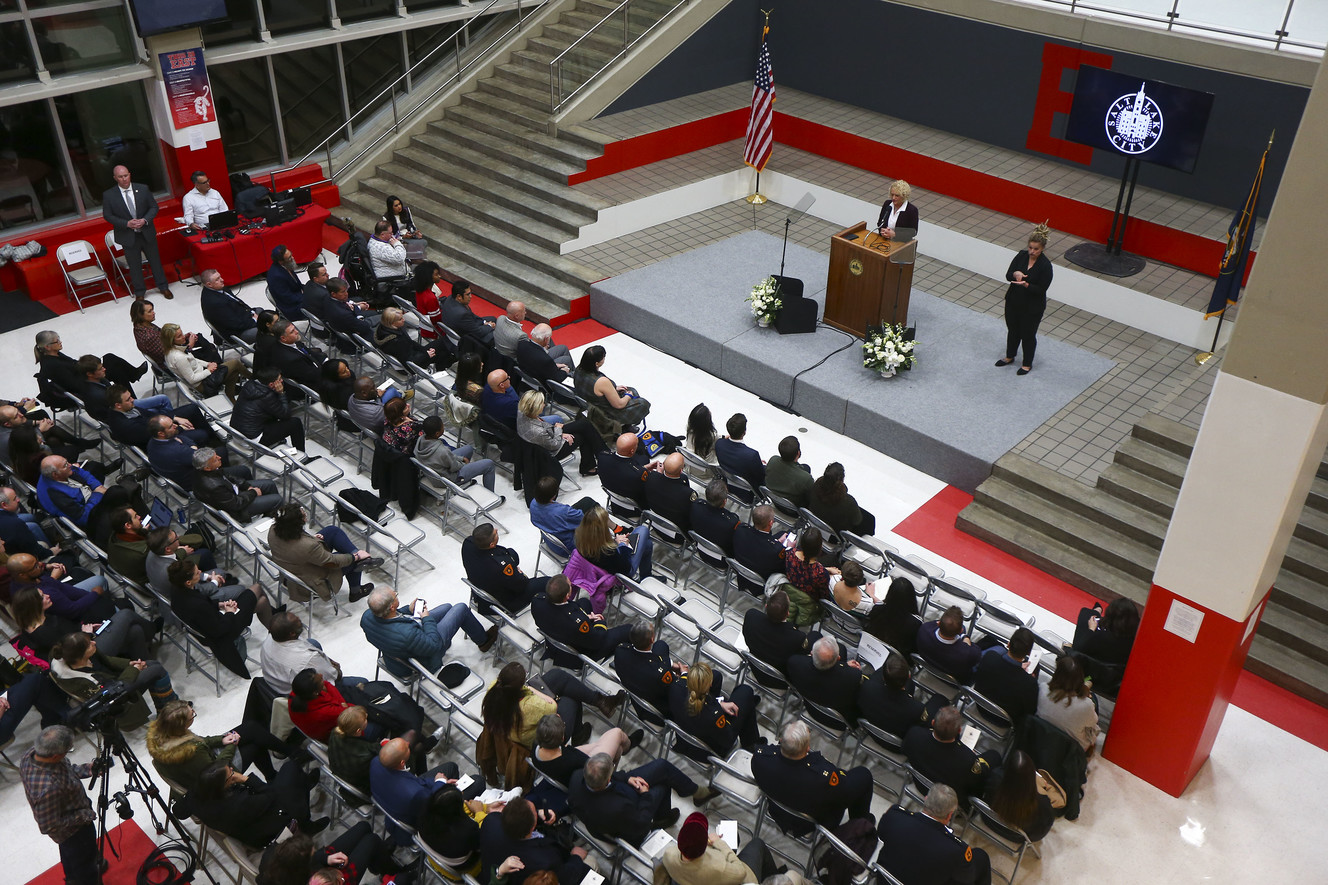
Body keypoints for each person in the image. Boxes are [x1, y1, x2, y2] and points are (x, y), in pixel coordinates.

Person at [478, 662, 625, 785]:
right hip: (541, 738)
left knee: (557, 676)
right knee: (570, 699)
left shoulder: (494, 688)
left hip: (513, 725)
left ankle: (600, 701)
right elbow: (552, 706)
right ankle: (579, 731)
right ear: (519, 687)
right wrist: (529, 688)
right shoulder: (530, 706)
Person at [750, 720, 874, 835]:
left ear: (781, 740)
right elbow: (843, 792)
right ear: (807, 748)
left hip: (777, 811)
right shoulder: (823, 777)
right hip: (808, 823)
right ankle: (860, 828)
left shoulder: (760, 758)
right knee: (864, 775)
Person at [569, 750, 715, 845]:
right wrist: (645, 795)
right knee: (663, 785)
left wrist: (627, 778)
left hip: (617, 794)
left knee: (662, 766)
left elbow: (610, 776)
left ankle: (696, 792)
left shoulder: (578, 777)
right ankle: (662, 819)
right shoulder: (617, 808)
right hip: (629, 821)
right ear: (607, 780)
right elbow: (641, 823)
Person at [20, 725, 105, 885]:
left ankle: (73, 878)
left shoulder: (32, 754)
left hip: (71, 824)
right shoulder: (47, 788)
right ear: (55, 756)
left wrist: (88, 770)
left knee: (70, 856)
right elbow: (48, 826)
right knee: (83, 862)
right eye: (67, 751)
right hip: (73, 831)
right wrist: (85, 815)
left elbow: (66, 770)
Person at [182, 759, 328, 850]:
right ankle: (306, 825)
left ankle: (303, 785)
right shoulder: (239, 804)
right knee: (290, 767)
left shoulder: (196, 794)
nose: (234, 771)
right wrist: (245, 779)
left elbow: (179, 811)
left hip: (249, 822)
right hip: (270, 831)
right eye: (231, 774)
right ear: (222, 786)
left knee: (292, 774)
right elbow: (271, 795)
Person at [147, 698, 291, 789]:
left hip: (204, 766)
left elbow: (202, 741)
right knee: (255, 744)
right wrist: (231, 744)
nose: (194, 714)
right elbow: (219, 768)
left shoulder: (164, 734)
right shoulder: (192, 751)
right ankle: (277, 773)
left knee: (251, 728)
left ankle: (289, 757)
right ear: (182, 725)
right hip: (215, 780)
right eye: (193, 715)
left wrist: (221, 740)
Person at [360, 586, 497, 680]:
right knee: (461, 608)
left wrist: (408, 609)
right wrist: (426, 619)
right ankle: (483, 641)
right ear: (392, 606)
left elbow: (393, 616)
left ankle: (462, 638)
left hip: (397, 652)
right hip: (424, 659)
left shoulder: (367, 617)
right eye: (395, 595)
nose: (396, 594)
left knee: (447, 607)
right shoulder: (407, 634)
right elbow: (434, 645)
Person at [50, 632, 178, 730]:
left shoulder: (77, 654)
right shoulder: (82, 682)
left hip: (117, 681)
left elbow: (107, 660)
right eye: (89, 645)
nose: (94, 643)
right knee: (157, 670)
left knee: (151, 664)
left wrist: (129, 663)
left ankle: (168, 708)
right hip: (119, 699)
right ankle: (171, 709)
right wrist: (134, 670)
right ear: (81, 655)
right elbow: (115, 692)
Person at [370, 737, 481, 845]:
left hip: (396, 804)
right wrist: (441, 783)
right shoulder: (415, 794)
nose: (408, 743)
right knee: (478, 782)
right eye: (406, 748)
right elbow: (433, 803)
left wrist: (441, 783)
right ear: (402, 763)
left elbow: (418, 783)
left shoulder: (375, 762)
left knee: (451, 767)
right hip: (419, 821)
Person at [876, 785, 992, 885]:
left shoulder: (895, 816)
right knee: (981, 857)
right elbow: (965, 880)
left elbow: (880, 835)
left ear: (926, 800)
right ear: (949, 815)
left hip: (884, 880)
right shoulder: (957, 851)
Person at [267, 503, 381, 603]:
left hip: (295, 567)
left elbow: (295, 543)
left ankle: (363, 559)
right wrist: (355, 557)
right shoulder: (308, 546)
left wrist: (311, 538)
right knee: (351, 560)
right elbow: (333, 562)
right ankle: (356, 589)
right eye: (303, 515)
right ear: (296, 524)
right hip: (311, 581)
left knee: (332, 531)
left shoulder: (274, 529)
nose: (305, 515)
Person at [167, 559, 260, 677]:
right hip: (223, 633)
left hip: (204, 626)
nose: (200, 572)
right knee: (256, 590)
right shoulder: (197, 605)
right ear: (188, 582)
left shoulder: (176, 590)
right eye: (197, 573)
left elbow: (204, 606)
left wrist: (220, 605)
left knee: (260, 601)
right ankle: (277, 628)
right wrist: (229, 612)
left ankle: (277, 626)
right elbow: (219, 629)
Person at [10, 585, 150, 664]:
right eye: (42, 597)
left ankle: (144, 664)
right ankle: (152, 629)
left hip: (86, 639)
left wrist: (83, 629)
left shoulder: (41, 618)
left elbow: (68, 633)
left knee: (135, 631)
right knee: (125, 614)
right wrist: (87, 634)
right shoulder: (43, 632)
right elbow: (72, 650)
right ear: (34, 605)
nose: (47, 596)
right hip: (87, 654)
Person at [478, 797, 591, 885]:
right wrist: (576, 857)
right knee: (591, 863)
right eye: (536, 813)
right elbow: (566, 876)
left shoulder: (491, 820)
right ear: (532, 827)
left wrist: (537, 814)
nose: (538, 811)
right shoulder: (546, 860)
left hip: (490, 875)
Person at [529, 573, 632, 666]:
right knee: (629, 630)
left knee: (584, 602)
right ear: (567, 596)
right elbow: (597, 641)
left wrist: (586, 617)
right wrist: (600, 622)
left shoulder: (537, 601)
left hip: (555, 638)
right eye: (570, 585)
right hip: (576, 654)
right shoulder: (577, 623)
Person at [902, 706, 1000, 802]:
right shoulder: (968, 760)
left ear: (933, 722)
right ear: (959, 731)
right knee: (994, 755)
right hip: (945, 801)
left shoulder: (915, 734)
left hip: (920, 784)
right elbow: (975, 787)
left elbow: (904, 750)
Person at [102, 164, 172, 299]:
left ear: (130, 174)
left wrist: (145, 220)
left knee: (155, 261)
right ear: (115, 178)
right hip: (128, 235)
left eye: (126, 175)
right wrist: (126, 223)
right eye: (120, 177)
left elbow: (153, 207)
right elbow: (108, 215)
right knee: (134, 266)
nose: (124, 179)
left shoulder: (143, 189)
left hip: (146, 232)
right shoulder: (109, 195)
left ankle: (163, 287)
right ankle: (140, 292)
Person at [996, 221, 1054, 376]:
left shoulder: (1045, 266)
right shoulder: (1021, 256)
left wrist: (1026, 284)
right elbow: (1008, 275)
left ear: (1042, 249)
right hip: (1014, 301)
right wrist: (1016, 274)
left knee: (1028, 334)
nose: (1032, 251)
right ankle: (1010, 356)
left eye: (1036, 249)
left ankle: (1027, 363)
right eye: (1030, 247)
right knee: (1013, 330)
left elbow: (1042, 289)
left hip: (1032, 307)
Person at [654, 811, 774, 885]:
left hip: (692, 878)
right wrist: (720, 843)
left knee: (734, 837)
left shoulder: (669, 854)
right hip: (729, 876)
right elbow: (740, 873)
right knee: (758, 844)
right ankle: (775, 879)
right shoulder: (719, 869)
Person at [668, 660, 759, 756]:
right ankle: (751, 744)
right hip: (707, 749)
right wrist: (717, 706)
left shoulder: (675, 687)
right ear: (709, 685)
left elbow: (684, 683)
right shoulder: (713, 714)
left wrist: (718, 703)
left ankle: (748, 704)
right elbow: (727, 740)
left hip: (685, 734)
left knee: (716, 675)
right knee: (745, 691)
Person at [258, 827, 399, 885]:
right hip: (329, 880)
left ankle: (377, 859)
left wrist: (326, 858)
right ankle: (394, 872)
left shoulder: (272, 855)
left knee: (363, 827)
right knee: (372, 839)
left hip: (318, 869)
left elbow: (313, 857)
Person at [516, 389, 603, 477]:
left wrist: (559, 432)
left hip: (548, 434)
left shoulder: (522, 412)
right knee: (582, 436)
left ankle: (602, 455)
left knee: (584, 424)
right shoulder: (537, 431)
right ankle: (594, 463)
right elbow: (554, 445)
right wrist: (559, 431)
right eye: (542, 403)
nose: (544, 405)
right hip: (551, 451)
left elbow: (544, 430)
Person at [462, 522, 545, 612]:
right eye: (495, 533)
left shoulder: (468, 543)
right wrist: (517, 571)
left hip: (481, 592)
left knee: (511, 554)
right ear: (492, 545)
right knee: (547, 583)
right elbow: (521, 586)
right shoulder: (501, 566)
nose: (497, 530)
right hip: (504, 602)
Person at [573, 345, 649, 442]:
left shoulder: (579, 369)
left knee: (631, 390)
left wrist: (614, 388)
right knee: (641, 402)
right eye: (603, 357)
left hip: (589, 402)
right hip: (604, 411)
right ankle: (625, 426)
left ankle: (627, 425)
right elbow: (619, 404)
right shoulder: (601, 381)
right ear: (597, 363)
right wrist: (628, 396)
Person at [786, 636, 867, 725]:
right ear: (838, 659)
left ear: (812, 654)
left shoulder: (795, 663)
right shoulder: (853, 676)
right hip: (839, 721)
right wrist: (846, 667)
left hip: (811, 708)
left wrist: (845, 666)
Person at [613, 621, 686, 718]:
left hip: (634, 693)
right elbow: (674, 690)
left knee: (661, 645)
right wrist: (684, 674)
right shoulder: (659, 674)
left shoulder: (620, 651)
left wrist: (670, 664)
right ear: (652, 639)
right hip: (656, 710)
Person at [162, 322, 249, 401]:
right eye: (179, 336)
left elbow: (193, 359)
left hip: (202, 373)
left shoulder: (171, 350)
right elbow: (192, 379)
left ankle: (231, 396)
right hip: (202, 385)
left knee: (233, 370)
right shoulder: (179, 357)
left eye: (182, 333)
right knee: (235, 363)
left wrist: (208, 364)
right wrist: (209, 370)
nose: (183, 336)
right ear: (171, 341)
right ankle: (255, 379)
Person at [193, 446, 283, 521]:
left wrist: (247, 486)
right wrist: (253, 492)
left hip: (234, 493)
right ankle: (276, 520)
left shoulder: (209, 470)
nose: (219, 458)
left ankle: (270, 514)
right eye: (215, 459)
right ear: (207, 468)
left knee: (270, 484)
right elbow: (236, 504)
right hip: (236, 511)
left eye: (217, 456)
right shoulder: (214, 487)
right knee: (277, 499)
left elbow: (228, 477)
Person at [972, 627, 1040, 725]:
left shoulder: (990, 657)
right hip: (1004, 721)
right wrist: (1027, 677)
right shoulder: (1029, 683)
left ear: (1008, 644)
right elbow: (1030, 712)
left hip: (980, 705)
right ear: (1028, 653)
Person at [983, 749, 1055, 843]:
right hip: (1018, 837)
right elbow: (1042, 830)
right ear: (1031, 776)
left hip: (990, 821)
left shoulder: (995, 777)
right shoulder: (1042, 803)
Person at [415, 414, 499, 491]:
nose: (443, 427)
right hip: (448, 479)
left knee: (468, 448)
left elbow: (447, 458)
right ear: (437, 433)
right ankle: (491, 494)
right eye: (442, 426)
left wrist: (461, 458)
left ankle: (465, 481)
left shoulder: (421, 439)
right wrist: (464, 464)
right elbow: (454, 467)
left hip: (436, 472)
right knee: (489, 464)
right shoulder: (442, 451)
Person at [858, 653, 932, 737]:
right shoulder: (916, 709)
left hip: (871, 733)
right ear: (908, 676)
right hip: (894, 746)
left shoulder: (867, 687)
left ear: (883, 678)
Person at [742, 589, 813, 677]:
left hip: (755, 667)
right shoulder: (797, 638)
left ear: (766, 606)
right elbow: (801, 657)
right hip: (779, 678)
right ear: (787, 614)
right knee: (814, 636)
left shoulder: (751, 616)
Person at [131, 299, 220, 368]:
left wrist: (182, 337)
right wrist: (190, 345)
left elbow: (165, 341)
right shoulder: (149, 337)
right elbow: (172, 356)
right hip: (172, 363)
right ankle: (219, 370)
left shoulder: (141, 325)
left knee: (199, 338)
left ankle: (217, 365)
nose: (154, 313)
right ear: (140, 315)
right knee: (210, 349)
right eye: (150, 311)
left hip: (171, 350)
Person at [1038, 654, 1100, 752]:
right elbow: (1093, 721)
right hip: (1071, 748)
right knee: (1094, 700)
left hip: (1043, 736)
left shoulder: (1042, 688)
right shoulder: (1086, 705)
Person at [575, 504, 653, 580]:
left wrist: (618, 540)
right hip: (624, 572)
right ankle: (646, 576)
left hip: (606, 566)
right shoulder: (607, 551)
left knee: (647, 545)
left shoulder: (581, 540)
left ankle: (647, 576)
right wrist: (623, 545)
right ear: (602, 530)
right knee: (643, 530)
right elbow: (625, 567)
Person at [528, 475, 599, 552]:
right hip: (569, 546)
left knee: (587, 501)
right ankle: (609, 534)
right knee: (595, 512)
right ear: (554, 495)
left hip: (551, 541)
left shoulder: (533, 503)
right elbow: (582, 519)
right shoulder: (563, 512)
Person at [783, 527, 838, 625]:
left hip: (787, 594)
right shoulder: (820, 573)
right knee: (834, 559)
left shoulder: (789, 554)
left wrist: (826, 569)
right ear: (820, 548)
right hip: (808, 607)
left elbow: (804, 569)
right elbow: (824, 597)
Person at [1072, 597, 1140, 674]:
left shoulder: (1097, 638)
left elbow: (1078, 648)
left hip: (1088, 671)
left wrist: (1091, 630)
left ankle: (1096, 611)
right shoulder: (1134, 645)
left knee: (1086, 615)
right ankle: (1097, 611)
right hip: (1114, 678)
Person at [916, 605, 982, 683]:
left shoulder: (924, 629)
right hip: (955, 683)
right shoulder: (967, 654)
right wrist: (965, 637)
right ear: (960, 631)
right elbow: (977, 653)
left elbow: (933, 624)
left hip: (929, 668)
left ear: (938, 623)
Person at [809, 461, 876, 536]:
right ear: (842, 480)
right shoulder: (848, 502)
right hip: (835, 536)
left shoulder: (814, 487)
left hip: (815, 523)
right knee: (869, 519)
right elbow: (857, 521)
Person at [375, 306, 450, 371]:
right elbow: (408, 361)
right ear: (392, 323)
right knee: (443, 354)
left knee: (441, 342)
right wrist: (426, 355)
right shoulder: (397, 341)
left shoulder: (384, 328)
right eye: (400, 319)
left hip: (411, 355)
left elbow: (410, 342)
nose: (404, 320)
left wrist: (424, 350)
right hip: (410, 366)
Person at [595, 431, 656, 506]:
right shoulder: (638, 474)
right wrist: (658, 476)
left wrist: (642, 468)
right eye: (637, 444)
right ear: (632, 451)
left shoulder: (602, 457)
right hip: (634, 509)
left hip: (615, 503)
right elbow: (649, 490)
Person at [199, 268, 260, 342]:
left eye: (220, 277)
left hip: (239, 317)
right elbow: (235, 324)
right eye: (217, 279)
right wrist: (255, 320)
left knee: (262, 312)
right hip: (236, 333)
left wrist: (252, 312)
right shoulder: (215, 303)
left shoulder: (219, 288)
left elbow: (239, 302)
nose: (222, 280)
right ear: (209, 284)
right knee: (267, 329)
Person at [733, 504, 787, 583]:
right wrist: (787, 549)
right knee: (785, 534)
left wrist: (776, 543)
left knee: (782, 533)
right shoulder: (776, 550)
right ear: (771, 523)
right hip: (759, 584)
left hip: (741, 574)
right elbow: (780, 569)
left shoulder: (740, 529)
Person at [644, 451, 696, 531]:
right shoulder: (687, 494)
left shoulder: (651, 477)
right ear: (681, 470)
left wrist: (658, 475)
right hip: (677, 534)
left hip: (656, 525)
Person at [870, 577, 923, 655]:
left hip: (875, 651)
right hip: (899, 661)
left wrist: (872, 595)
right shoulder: (916, 623)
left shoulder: (878, 608)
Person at [267, 320, 326, 391]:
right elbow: (313, 376)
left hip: (312, 367)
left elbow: (308, 352)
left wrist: (325, 360)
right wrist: (330, 369)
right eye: (292, 331)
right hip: (312, 384)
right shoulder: (292, 359)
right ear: (283, 338)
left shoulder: (291, 341)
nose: (297, 331)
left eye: (294, 328)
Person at [438, 278, 497, 348]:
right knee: (497, 334)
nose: (471, 296)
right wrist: (489, 326)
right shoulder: (462, 314)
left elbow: (471, 317)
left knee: (492, 318)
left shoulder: (450, 298)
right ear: (459, 296)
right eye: (468, 294)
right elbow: (478, 333)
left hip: (463, 327)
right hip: (467, 340)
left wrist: (483, 322)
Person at [713, 413, 764, 489]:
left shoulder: (719, 444)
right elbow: (760, 478)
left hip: (726, 484)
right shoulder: (752, 456)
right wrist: (758, 464)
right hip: (747, 493)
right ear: (744, 433)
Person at [690, 477, 739, 553]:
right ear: (725, 501)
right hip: (720, 560)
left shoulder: (696, 505)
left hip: (700, 549)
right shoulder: (731, 522)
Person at [765, 436, 814, 507]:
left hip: (773, 501)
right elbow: (810, 499)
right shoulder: (806, 478)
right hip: (792, 511)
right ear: (798, 453)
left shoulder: (773, 460)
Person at [265, 245, 305, 319]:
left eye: (291, 255)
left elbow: (297, 285)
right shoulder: (276, 277)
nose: (292, 258)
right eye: (289, 258)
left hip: (297, 296)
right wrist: (306, 297)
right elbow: (288, 298)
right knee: (317, 305)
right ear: (281, 261)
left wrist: (308, 289)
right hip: (291, 308)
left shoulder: (287, 265)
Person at [683, 403, 718, 478]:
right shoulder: (711, 436)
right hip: (704, 472)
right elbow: (717, 441)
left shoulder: (689, 430)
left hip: (690, 465)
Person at [412, 261, 444, 339]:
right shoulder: (430, 298)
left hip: (424, 326)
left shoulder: (419, 290)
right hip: (433, 332)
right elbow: (437, 320)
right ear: (428, 277)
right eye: (436, 274)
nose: (440, 276)